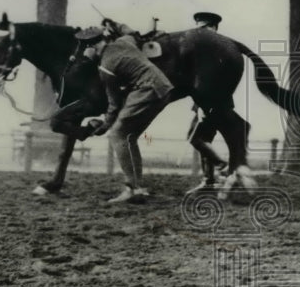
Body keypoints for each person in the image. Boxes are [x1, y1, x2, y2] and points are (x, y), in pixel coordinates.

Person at [80, 25, 174, 203]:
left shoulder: (106, 68)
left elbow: (114, 104)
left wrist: (104, 126)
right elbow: (132, 33)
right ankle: (137, 187)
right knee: (129, 136)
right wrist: (118, 25)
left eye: (85, 47)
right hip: (163, 88)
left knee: (117, 134)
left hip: (147, 90)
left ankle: (132, 189)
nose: (85, 51)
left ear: (91, 48)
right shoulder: (123, 41)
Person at [188, 11, 227, 188]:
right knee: (204, 140)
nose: (200, 32)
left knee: (194, 138)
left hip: (210, 103)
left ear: (213, 28)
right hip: (210, 103)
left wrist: (205, 106)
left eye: (203, 28)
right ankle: (208, 181)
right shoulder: (209, 49)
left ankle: (222, 166)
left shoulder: (215, 50)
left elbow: (213, 79)